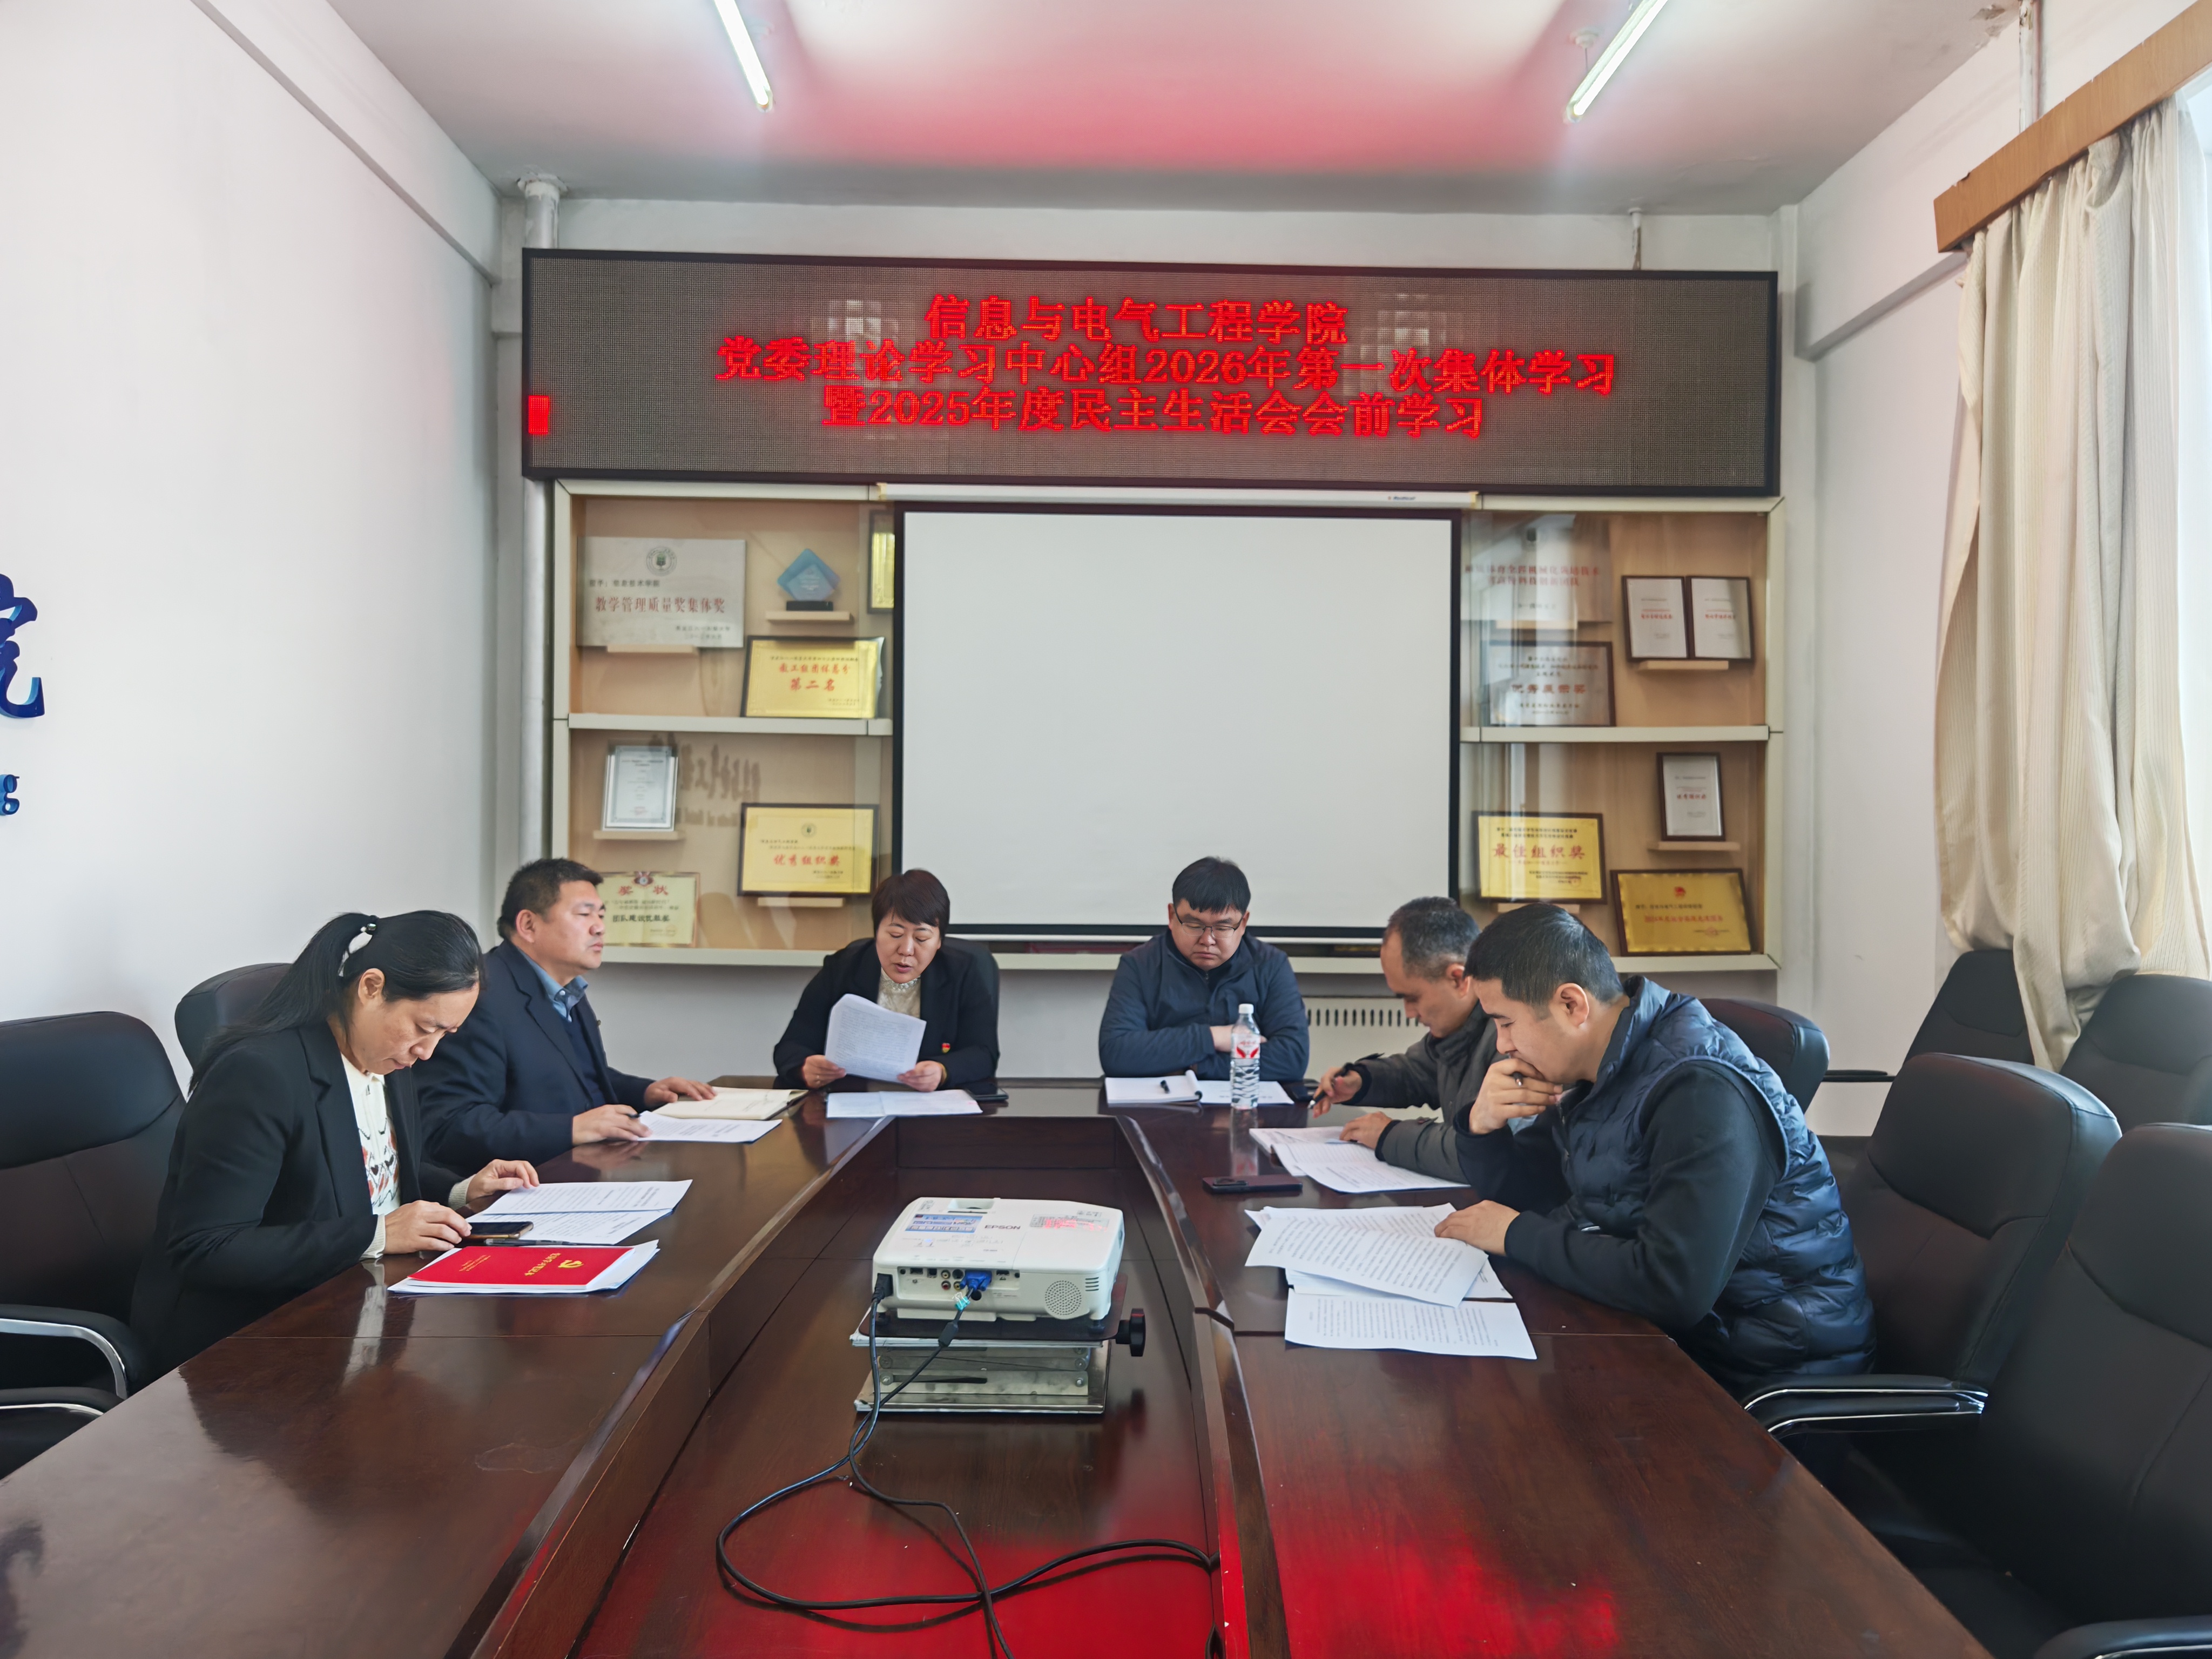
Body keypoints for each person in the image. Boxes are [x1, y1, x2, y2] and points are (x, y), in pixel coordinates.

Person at [1433, 902, 1873, 1391]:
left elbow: (1672, 1286)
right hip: (1676, 1340)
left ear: (1572, 1005)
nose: (1502, 1045)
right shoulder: (1601, 1065)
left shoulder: (1700, 1089)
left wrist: (1516, 1235)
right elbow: (1530, 1197)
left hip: (1765, 1370)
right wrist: (1482, 1127)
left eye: (1506, 1022)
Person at [132, 911, 541, 1375]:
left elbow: (364, 1168)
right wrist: (377, 1234)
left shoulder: (388, 1058)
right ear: (371, 988)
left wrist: (460, 1190)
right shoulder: (260, 1075)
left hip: (359, 1308)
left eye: (445, 1035)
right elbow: (208, 1248)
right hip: (249, 1343)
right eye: (425, 1028)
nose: (428, 1052)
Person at [416, 859, 715, 1169]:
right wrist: (571, 1129)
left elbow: (573, 1076)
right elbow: (452, 1126)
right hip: (523, 1182)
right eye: (584, 914)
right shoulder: (479, 997)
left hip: (583, 1171)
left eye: (601, 915)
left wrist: (646, 1092)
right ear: (529, 925)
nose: (599, 927)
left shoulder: (565, 987)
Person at [1312, 897, 1496, 1178]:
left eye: (1413, 997)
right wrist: (1361, 1081)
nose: (1409, 1013)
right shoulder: (1458, 1029)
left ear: (1459, 979)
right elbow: (1417, 1073)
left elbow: (1480, 1153)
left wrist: (1389, 1135)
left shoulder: (1513, 1034)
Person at [773, 869, 999, 1091]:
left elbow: (984, 1053)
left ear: (939, 941)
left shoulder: (962, 972)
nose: (906, 950)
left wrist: (942, 1070)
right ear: (876, 932)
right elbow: (790, 1047)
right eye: (895, 935)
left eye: (921, 938)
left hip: (930, 1105)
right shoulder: (843, 967)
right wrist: (805, 1068)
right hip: (854, 1100)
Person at [1097, 857, 1309, 1082]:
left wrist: (1195, 1067)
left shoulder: (1271, 965)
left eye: (1223, 927)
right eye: (1194, 925)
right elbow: (1116, 1052)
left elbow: (1292, 1058)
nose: (1207, 940)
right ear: (1172, 916)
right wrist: (1214, 1037)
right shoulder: (1140, 964)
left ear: (1243, 923)